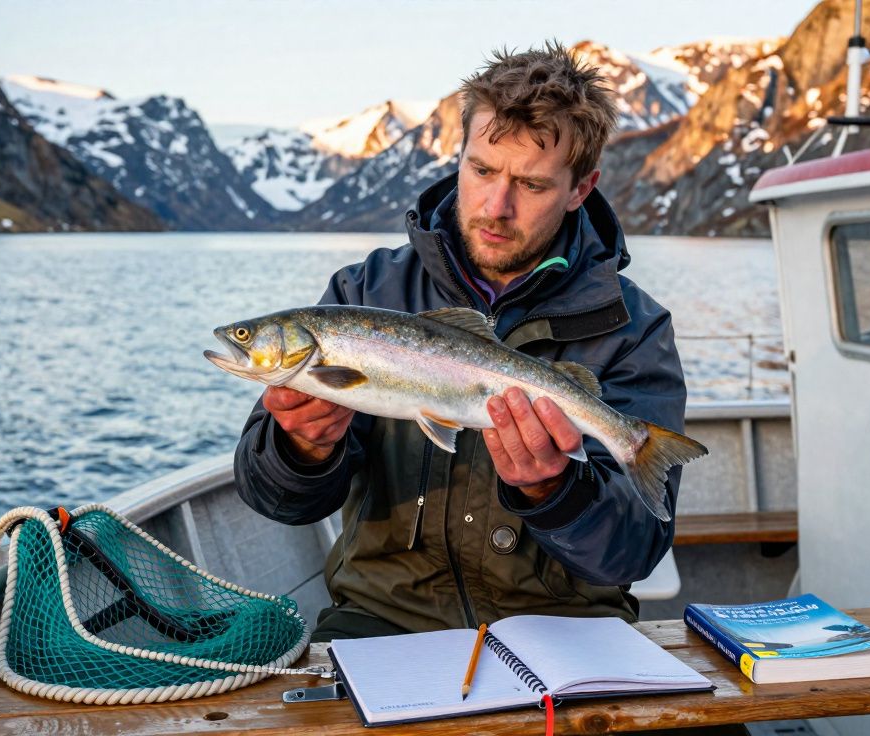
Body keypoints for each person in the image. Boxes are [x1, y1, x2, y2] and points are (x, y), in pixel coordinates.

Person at [235, 42, 688, 645]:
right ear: (460, 156)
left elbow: (633, 555)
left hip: (565, 633)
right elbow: (277, 501)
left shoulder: (633, 328)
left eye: (530, 184)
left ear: (581, 188)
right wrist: (301, 448)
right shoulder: (365, 290)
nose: (496, 207)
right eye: (481, 171)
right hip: (382, 623)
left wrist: (552, 490)